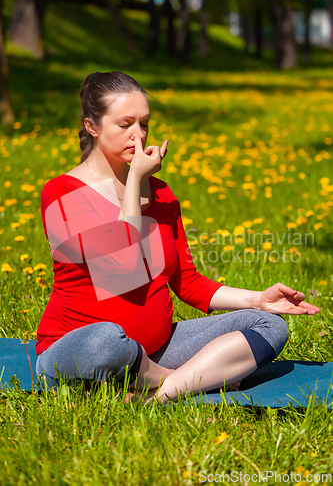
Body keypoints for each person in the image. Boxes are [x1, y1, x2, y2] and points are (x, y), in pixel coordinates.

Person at [35, 71, 320, 403]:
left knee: (269, 325)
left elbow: (187, 282)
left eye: (144, 124)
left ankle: (157, 394)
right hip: (84, 349)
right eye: (125, 124)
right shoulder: (62, 194)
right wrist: (135, 183)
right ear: (92, 126)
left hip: (158, 350)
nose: (137, 135)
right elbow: (122, 261)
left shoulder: (161, 194)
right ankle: (188, 380)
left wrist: (259, 299)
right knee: (109, 340)